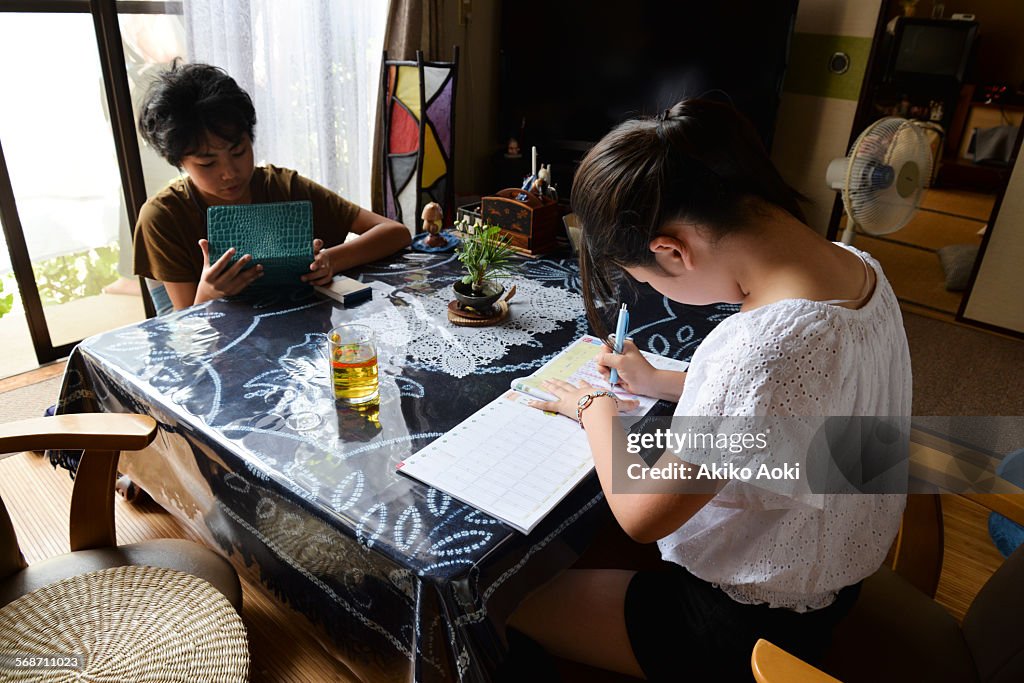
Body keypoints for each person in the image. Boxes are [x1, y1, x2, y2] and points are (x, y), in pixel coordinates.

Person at [506, 99, 911, 681]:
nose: (655, 292)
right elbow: (797, 395)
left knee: (511, 602)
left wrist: (596, 409)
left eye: (646, 279)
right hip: (833, 575)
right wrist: (658, 381)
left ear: (672, 250)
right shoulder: (859, 269)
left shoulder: (759, 348)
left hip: (742, 628)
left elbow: (642, 517)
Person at [134, 62, 410, 312]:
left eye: (239, 151)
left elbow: (394, 233)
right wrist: (208, 292)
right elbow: (183, 331)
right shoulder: (163, 217)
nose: (229, 173)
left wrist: (329, 260)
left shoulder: (284, 188)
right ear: (179, 162)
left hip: (303, 340)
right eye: (207, 164)